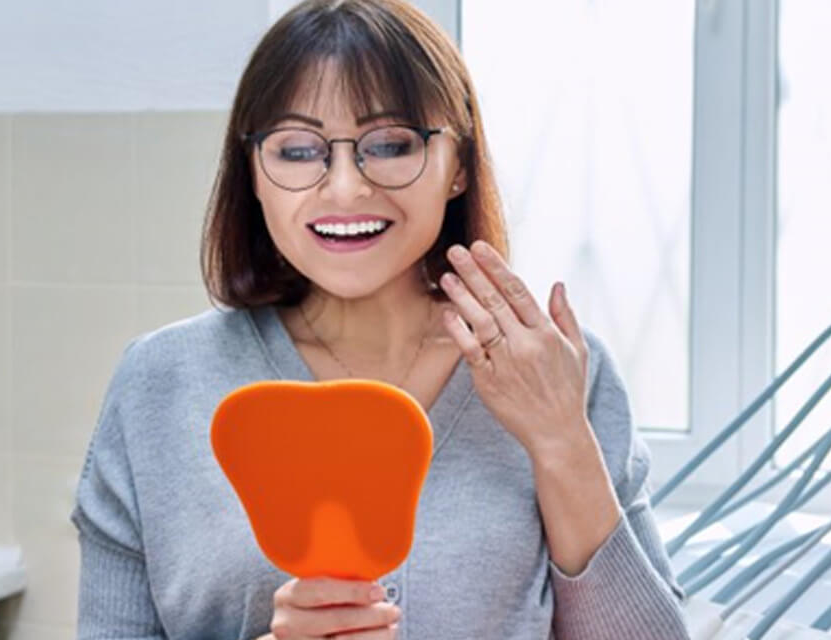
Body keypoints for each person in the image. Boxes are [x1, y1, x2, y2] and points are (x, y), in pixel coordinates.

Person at [70, 1, 690, 638]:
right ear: (253, 173)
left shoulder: (559, 373)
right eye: (296, 150)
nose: (343, 188)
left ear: (460, 167)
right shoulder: (158, 386)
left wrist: (561, 439)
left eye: (391, 144)